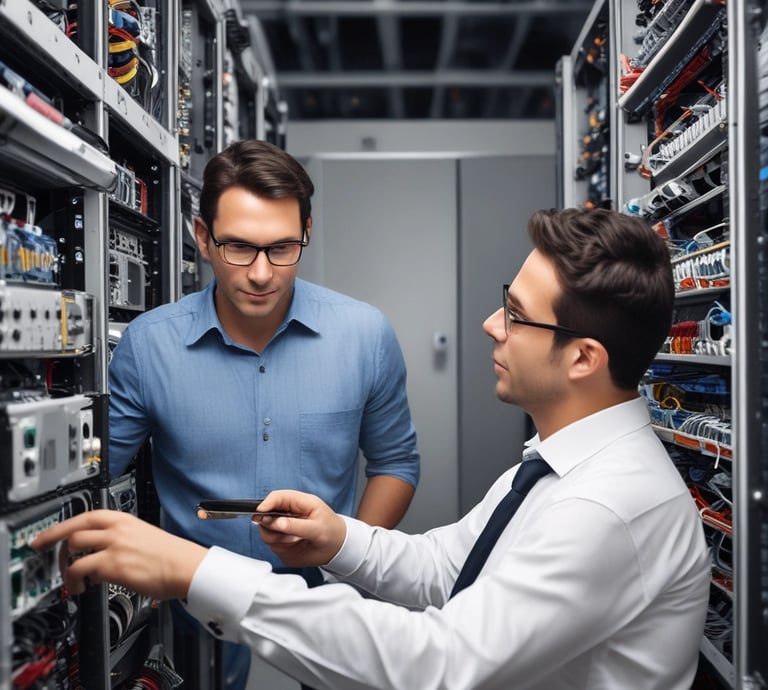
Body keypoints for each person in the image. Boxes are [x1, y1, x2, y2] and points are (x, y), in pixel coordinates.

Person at [37, 207, 710, 690]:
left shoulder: (607, 505)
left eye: (515, 312)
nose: (490, 325)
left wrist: (195, 571)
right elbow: (448, 569)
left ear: (583, 358)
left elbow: (438, 665)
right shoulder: (558, 467)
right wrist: (337, 539)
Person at [106, 139, 420, 689]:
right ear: (203, 238)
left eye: (281, 248)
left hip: (325, 608)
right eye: (238, 248)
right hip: (196, 615)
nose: (260, 273)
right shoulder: (149, 344)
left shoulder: (364, 334)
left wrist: (345, 557)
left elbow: (396, 464)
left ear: (306, 235)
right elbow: (94, 475)